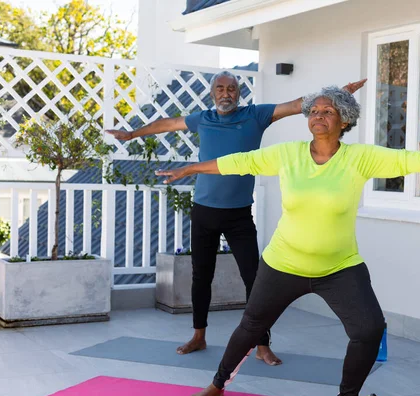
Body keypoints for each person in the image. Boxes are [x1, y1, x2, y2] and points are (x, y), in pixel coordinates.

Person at [156, 85, 420, 396]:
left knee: (369, 329)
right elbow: (239, 161)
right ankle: (217, 386)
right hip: (283, 263)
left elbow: (416, 160)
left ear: (344, 119)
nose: (318, 116)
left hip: (339, 267)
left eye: (327, 111)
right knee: (250, 327)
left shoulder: (360, 158)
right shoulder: (288, 154)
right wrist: (190, 169)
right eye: (313, 111)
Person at [106, 72, 367, 366]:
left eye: (232, 88)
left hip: (239, 213)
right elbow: (167, 123)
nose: (226, 93)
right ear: (212, 93)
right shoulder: (202, 118)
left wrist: (338, 93)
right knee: (200, 276)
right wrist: (131, 134)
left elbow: (298, 105)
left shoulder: (256, 115)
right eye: (220, 88)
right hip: (203, 210)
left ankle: (262, 344)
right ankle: (198, 335)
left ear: (239, 93)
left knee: (254, 280)